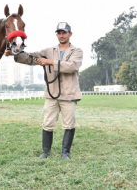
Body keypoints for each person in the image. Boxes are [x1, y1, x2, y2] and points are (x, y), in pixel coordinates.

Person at [5, 22, 83, 160]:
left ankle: (65, 153)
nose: (62, 35)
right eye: (59, 32)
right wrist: (14, 52)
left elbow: (72, 66)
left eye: (64, 32)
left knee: (69, 124)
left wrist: (50, 62)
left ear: (70, 34)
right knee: (47, 123)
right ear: (57, 34)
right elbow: (31, 57)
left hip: (69, 93)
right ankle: (45, 152)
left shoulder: (76, 51)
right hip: (52, 93)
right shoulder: (49, 51)